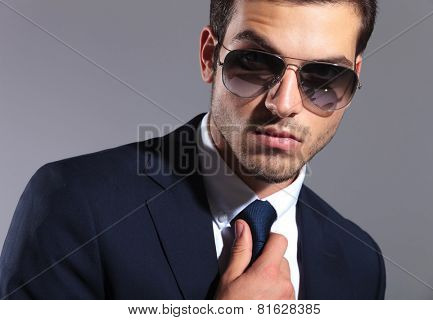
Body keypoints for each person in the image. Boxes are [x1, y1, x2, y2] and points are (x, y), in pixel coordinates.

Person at [0, 0, 385, 299]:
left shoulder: (361, 261)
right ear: (208, 57)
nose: (284, 104)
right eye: (253, 63)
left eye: (324, 77)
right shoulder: (74, 203)